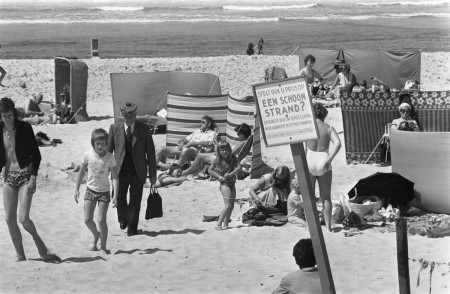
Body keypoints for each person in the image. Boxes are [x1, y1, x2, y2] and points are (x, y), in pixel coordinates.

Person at [0, 97, 60, 262]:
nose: (8, 119)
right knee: (9, 218)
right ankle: (20, 255)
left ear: (14, 113)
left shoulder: (25, 128)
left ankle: (39, 244)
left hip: (25, 175)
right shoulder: (0, 129)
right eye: (4, 116)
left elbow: (36, 155)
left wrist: (33, 178)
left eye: (10, 115)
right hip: (8, 176)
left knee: (23, 218)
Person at [106, 102, 157, 237]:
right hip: (119, 171)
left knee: (135, 200)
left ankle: (132, 227)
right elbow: (108, 152)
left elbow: (151, 153)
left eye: (132, 115)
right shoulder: (114, 128)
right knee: (119, 197)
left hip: (138, 171)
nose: (130, 118)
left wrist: (153, 175)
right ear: (122, 115)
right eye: (127, 115)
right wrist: (105, 171)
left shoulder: (144, 129)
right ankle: (123, 219)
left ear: (136, 114)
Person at [74, 129, 119, 253]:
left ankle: (103, 247)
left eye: (103, 143)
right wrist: (76, 189)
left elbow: (115, 176)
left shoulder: (110, 157)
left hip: (104, 192)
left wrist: (115, 194)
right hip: (90, 190)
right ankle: (96, 235)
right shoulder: (87, 155)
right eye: (98, 143)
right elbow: (81, 172)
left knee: (101, 220)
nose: (100, 146)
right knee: (87, 219)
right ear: (93, 143)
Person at [305, 102, 341, 232]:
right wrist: (330, 159)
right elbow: (338, 143)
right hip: (323, 159)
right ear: (324, 114)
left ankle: (309, 226)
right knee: (326, 197)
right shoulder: (328, 128)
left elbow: (305, 148)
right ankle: (328, 227)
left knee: (309, 196)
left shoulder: (309, 127)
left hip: (309, 159)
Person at [208, 141, 242, 231]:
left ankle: (226, 222)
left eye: (226, 149)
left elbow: (239, 168)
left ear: (229, 150)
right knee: (227, 205)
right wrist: (219, 176)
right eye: (222, 150)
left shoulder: (233, 158)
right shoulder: (217, 159)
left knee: (231, 206)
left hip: (232, 182)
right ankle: (218, 224)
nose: (224, 152)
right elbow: (210, 170)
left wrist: (231, 174)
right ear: (219, 151)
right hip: (224, 184)